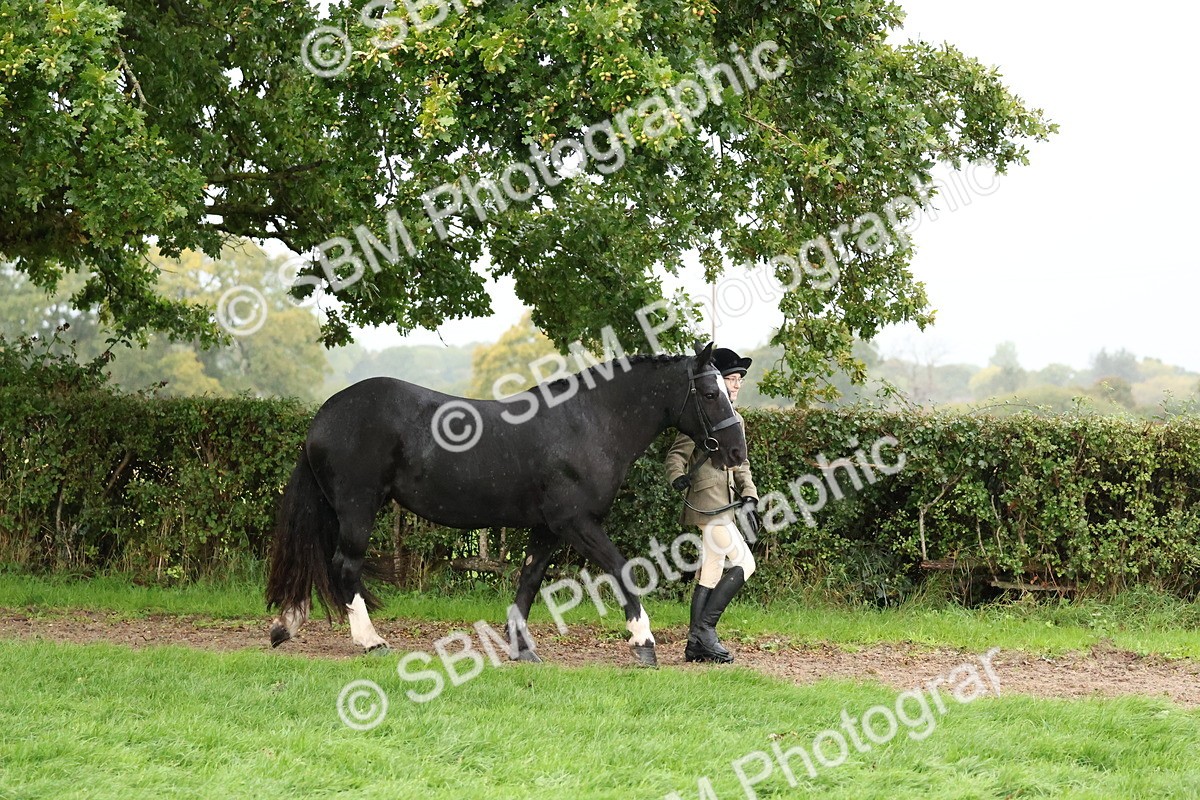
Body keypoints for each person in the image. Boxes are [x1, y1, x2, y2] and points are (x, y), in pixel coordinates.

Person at [664, 347, 761, 663]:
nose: (736, 385)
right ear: (718, 382)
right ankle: (706, 631)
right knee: (745, 563)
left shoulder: (737, 419)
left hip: (727, 503)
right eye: (731, 379)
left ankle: (695, 644)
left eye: (739, 380)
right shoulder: (702, 416)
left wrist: (750, 496)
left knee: (711, 569)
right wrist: (677, 476)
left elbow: (741, 463)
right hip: (707, 502)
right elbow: (676, 456)